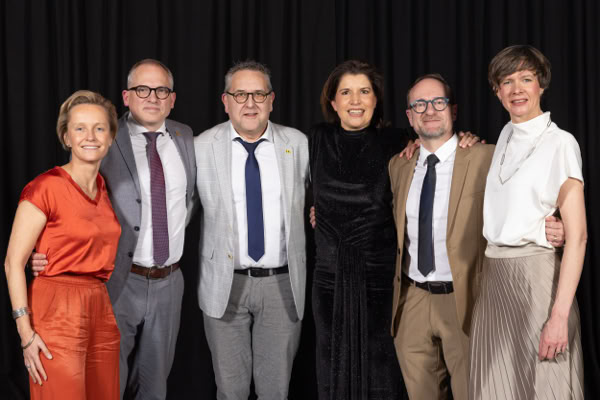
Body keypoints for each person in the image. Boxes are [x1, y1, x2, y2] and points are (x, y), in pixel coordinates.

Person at [31, 59, 197, 400]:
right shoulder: (105, 137)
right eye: (142, 89)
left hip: (169, 282)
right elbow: (70, 195)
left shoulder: (185, 136)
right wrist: (44, 249)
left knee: (155, 385)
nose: (152, 97)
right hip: (118, 281)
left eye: (161, 90)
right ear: (126, 96)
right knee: (108, 383)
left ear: (172, 99)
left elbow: (193, 199)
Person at [469, 45, 585, 399]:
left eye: (526, 79)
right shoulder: (505, 135)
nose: (516, 89)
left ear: (541, 85)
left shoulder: (561, 143)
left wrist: (559, 316)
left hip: (537, 283)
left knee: (544, 388)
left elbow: (578, 237)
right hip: (493, 280)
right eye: (507, 81)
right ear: (496, 91)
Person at [194, 60, 309, 399]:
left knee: (275, 390)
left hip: (282, 285)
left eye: (258, 94)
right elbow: (178, 207)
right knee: (231, 390)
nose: (250, 103)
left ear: (271, 100)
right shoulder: (202, 146)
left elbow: (327, 195)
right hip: (224, 284)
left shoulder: (297, 143)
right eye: (240, 94)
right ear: (225, 101)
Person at [5, 90, 121, 399]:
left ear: (111, 137)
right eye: (80, 128)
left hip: (99, 304)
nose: (90, 136)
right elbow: (13, 263)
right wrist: (26, 334)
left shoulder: (103, 188)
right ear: (67, 137)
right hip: (56, 306)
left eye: (99, 128)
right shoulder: (45, 187)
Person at [389, 74, 495, 399]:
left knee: (472, 392)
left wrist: (554, 224)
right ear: (410, 116)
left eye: (438, 102)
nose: (430, 110)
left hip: (465, 300)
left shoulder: (485, 157)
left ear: (453, 110)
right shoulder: (398, 165)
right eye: (419, 104)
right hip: (412, 299)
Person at [309, 60, 410, 400]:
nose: (355, 100)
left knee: (381, 370)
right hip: (329, 278)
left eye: (364, 91)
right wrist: (313, 210)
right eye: (346, 92)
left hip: (379, 279)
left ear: (375, 99)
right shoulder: (317, 139)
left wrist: (468, 138)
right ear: (333, 101)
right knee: (330, 365)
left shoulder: (398, 142)